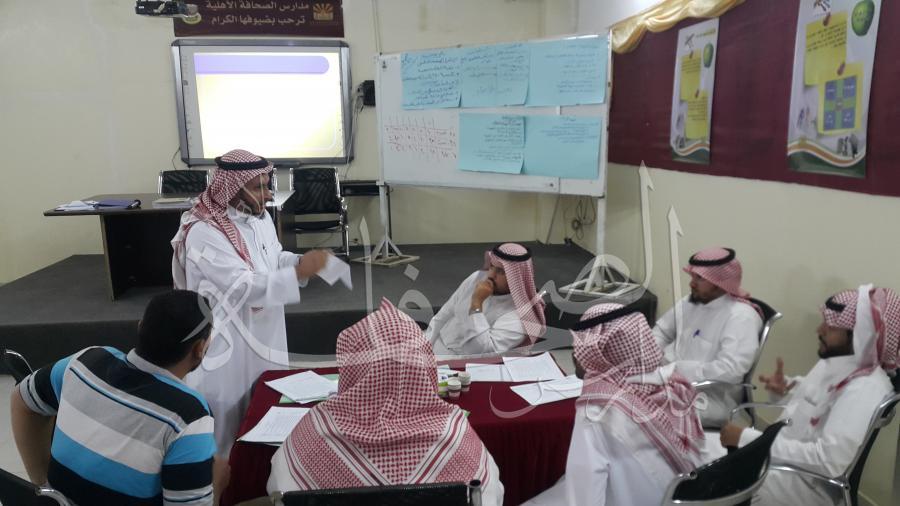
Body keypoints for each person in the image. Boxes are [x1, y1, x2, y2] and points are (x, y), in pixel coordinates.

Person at [170, 148, 331, 454]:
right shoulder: (204, 231)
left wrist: (298, 262)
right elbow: (242, 286)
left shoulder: (259, 218)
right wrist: (298, 272)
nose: (268, 194)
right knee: (226, 426)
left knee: (267, 407)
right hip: (226, 346)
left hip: (265, 332)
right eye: (258, 187)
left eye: (267, 185)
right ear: (231, 189)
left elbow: (272, 258)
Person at [267, 298, 503, 505]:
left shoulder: (315, 431)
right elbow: (489, 496)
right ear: (424, 363)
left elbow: (279, 489)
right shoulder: (455, 434)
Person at [10, 290, 228, 505]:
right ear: (200, 349)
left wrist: (44, 488)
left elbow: (20, 400)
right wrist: (217, 484)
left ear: (141, 327)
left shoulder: (85, 361)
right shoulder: (190, 416)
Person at [714, 285, 900, 506]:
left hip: (806, 485)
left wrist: (747, 440)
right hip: (781, 460)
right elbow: (815, 402)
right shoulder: (839, 362)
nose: (819, 330)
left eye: (830, 326)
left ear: (860, 336)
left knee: (709, 480)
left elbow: (828, 461)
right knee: (695, 449)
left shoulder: (865, 388)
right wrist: (785, 389)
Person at [524, 303, 705, 506]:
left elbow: (585, 493)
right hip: (681, 495)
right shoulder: (674, 385)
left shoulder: (597, 408)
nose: (575, 354)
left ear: (603, 353)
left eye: (582, 347)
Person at [651, 247, 762, 426]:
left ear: (719, 282)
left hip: (708, 398)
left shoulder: (741, 318)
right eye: (693, 277)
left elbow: (729, 371)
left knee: (638, 407)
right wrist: (649, 356)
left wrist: (676, 370)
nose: (692, 283)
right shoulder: (692, 301)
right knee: (618, 385)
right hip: (666, 378)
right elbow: (662, 331)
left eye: (699, 278)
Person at [425, 242, 545, 356]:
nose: (491, 275)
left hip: (464, 362)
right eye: (492, 266)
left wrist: (476, 304)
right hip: (435, 344)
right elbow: (444, 314)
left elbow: (481, 351)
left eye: (500, 272)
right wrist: (425, 345)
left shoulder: (521, 315)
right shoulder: (477, 279)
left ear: (516, 278)